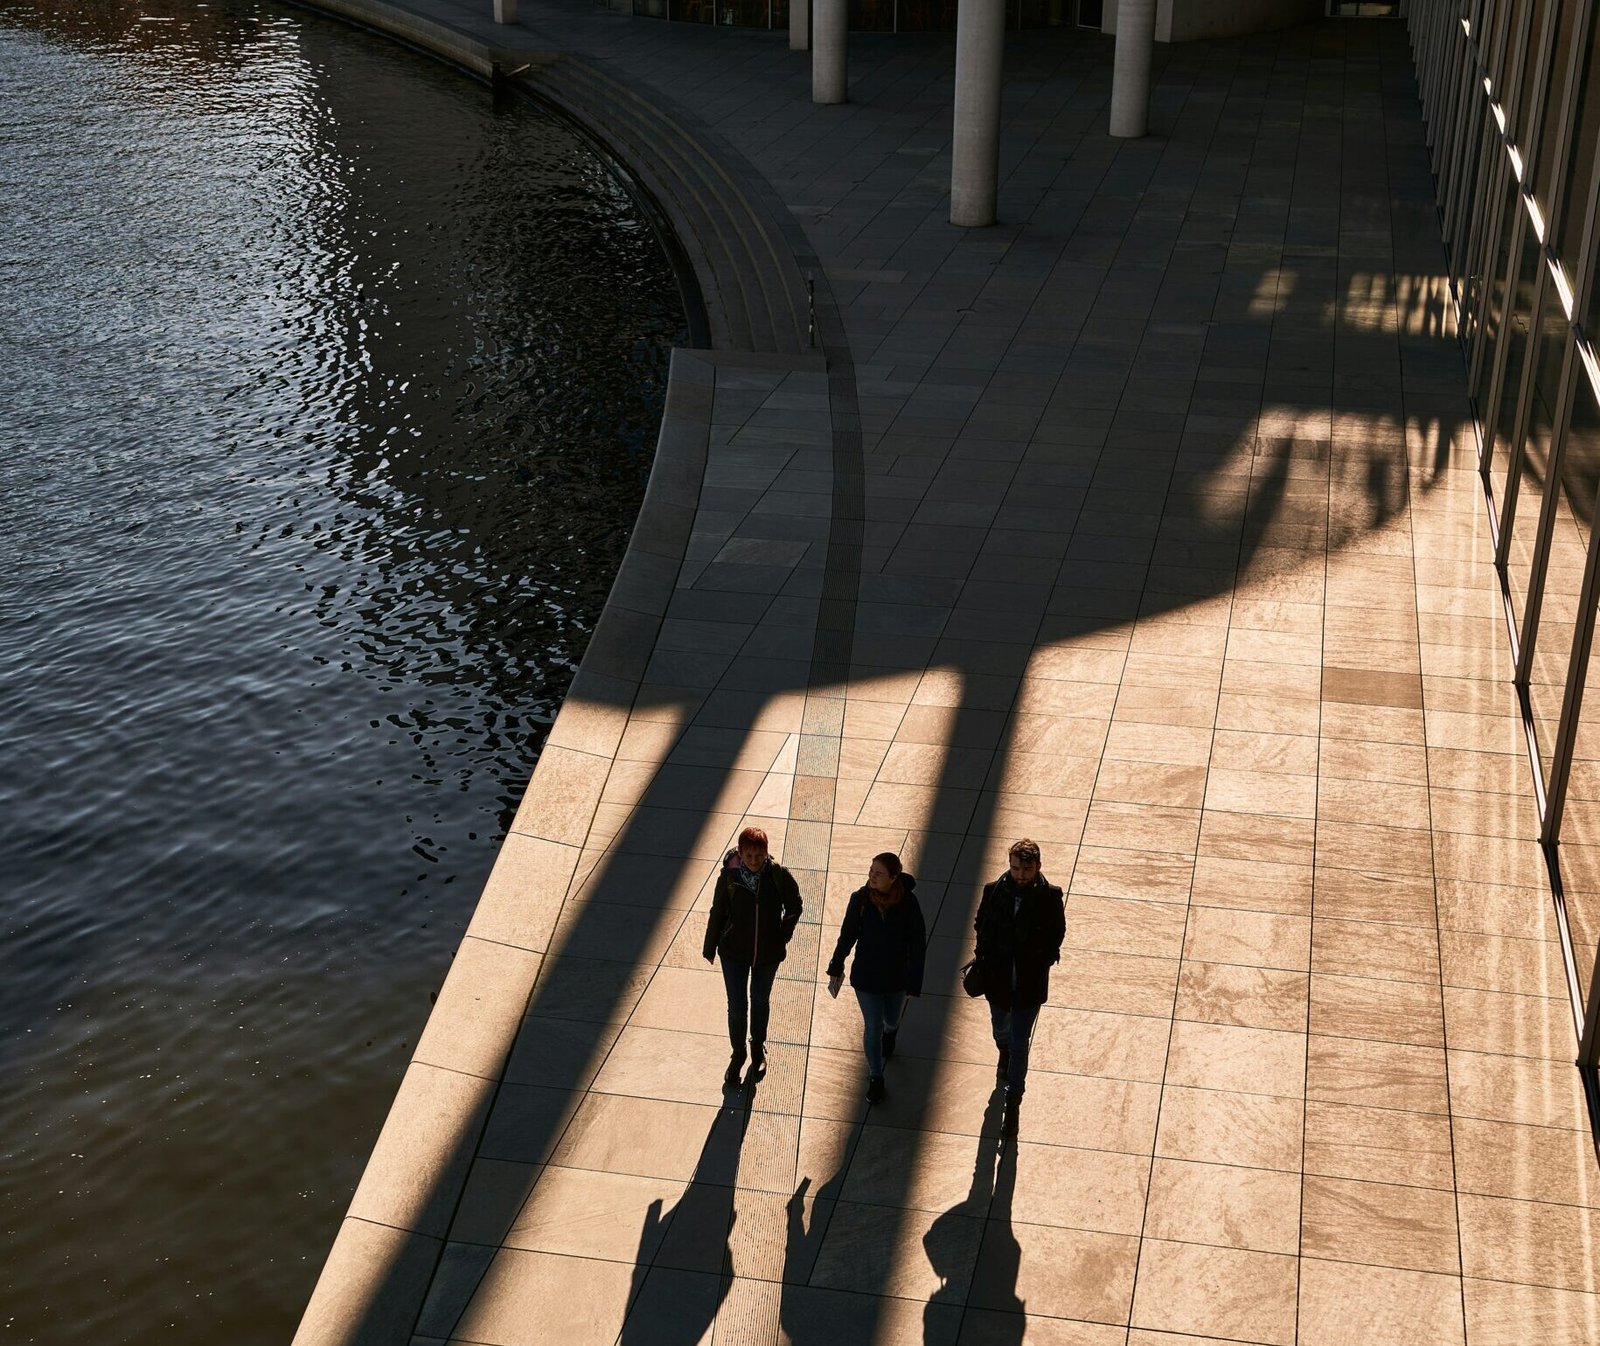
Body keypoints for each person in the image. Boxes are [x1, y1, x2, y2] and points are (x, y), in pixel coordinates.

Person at [972, 838, 1065, 1138]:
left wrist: (1043, 958)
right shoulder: (993, 891)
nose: (1020, 875)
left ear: (1038, 866)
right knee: (1000, 1029)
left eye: (1026, 869)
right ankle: (1003, 1052)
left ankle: (1014, 1101)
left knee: (1019, 1040)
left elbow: (1057, 932)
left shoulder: (1050, 897)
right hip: (998, 979)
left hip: (1028, 983)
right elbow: (980, 923)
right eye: (1015, 868)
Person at [704, 825, 803, 1086]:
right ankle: (738, 1054)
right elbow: (718, 911)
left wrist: (782, 936)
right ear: (740, 852)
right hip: (733, 953)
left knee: (760, 1001)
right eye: (749, 856)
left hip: (767, 955)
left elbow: (795, 906)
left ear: (766, 853)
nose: (754, 861)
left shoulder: (778, 875)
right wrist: (710, 946)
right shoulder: (729, 877)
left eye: (759, 856)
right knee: (737, 1007)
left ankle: (758, 1049)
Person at [825, 852, 926, 1104]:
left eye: (878, 873)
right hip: (867, 978)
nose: (872, 876)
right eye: (871, 871)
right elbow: (847, 935)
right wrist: (836, 964)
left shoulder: (908, 903)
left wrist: (914, 981)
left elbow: (917, 944)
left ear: (894, 877)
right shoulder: (860, 900)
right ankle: (875, 1077)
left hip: (896, 979)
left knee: (890, 1019)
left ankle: (890, 1035)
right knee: (873, 1027)